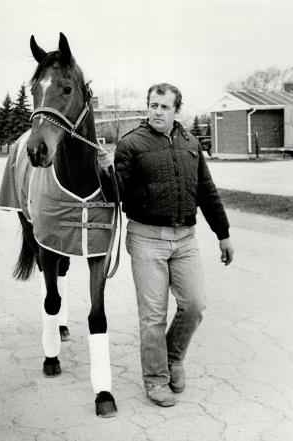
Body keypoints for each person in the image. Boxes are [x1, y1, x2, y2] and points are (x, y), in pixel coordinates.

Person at [97, 83, 234, 407]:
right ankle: (156, 380)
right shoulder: (131, 144)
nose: (158, 111)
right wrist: (105, 171)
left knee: (195, 305)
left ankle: (173, 358)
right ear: (148, 107)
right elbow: (115, 194)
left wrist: (223, 233)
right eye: (153, 105)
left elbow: (207, 190)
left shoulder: (190, 144)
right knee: (153, 316)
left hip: (185, 239)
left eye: (164, 107)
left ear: (176, 111)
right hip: (146, 239)